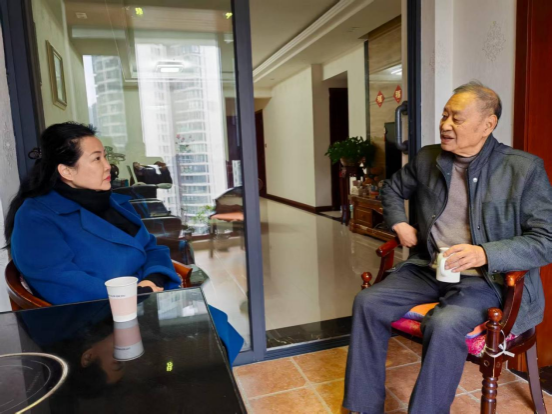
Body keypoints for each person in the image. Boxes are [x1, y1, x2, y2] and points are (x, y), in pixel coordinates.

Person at [344, 81, 552, 414]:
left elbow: (546, 240)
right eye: (444, 115)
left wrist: (484, 253)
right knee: (368, 302)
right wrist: (399, 222)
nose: (445, 125)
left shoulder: (523, 169)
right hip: (429, 267)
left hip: (485, 281)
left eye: (457, 118)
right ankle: (363, 407)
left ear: (487, 125)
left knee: (443, 323)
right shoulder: (428, 157)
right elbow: (392, 189)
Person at [4, 122, 243, 364]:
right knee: (197, 350)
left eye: (105, 156)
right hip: (99, 324)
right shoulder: (36, 218)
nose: (108, 165)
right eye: (97, 158)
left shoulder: (112, 203)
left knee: (215, 327)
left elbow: (151, 247)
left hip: (145, 303)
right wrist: (136, 295)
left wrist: (155, 279)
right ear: (67, 171)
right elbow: (63, 284)